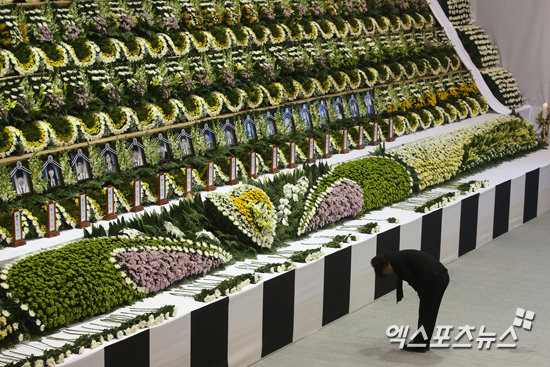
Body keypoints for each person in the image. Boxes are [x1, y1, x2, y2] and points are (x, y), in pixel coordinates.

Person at [371, 250, 450, 353]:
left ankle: (420, 345)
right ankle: (424, 342)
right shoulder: (397, 256)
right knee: (431, 313)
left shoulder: (396, 262)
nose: (389, 273)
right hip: (442, 276)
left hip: (433, 280)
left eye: (384, 272)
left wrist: (422, 294)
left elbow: (412, 280)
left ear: (385, 265)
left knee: (425, 314)